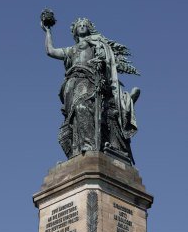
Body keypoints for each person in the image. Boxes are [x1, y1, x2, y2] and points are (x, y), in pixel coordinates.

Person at [42, 17, 139, 162]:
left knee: (83, 107)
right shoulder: (71, 50)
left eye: (84, 25)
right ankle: (77, 149)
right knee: (73, 118)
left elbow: (107, 59)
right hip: (71, 84)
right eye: (78, 25)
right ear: (74, 31)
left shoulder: (96, 44)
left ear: (89, 28)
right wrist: (48, 31)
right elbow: (50, 51)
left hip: (90, 80)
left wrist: (101, 59)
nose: (81, 26)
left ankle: (89, 146)